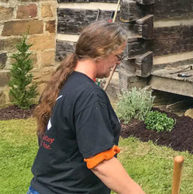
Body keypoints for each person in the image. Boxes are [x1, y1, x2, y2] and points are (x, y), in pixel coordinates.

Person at [29, 21, 145, 194]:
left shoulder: (63, 82)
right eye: (117, 56)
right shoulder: (89, 95)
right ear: (100, 53)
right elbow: (101, 162)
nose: (118, 63)